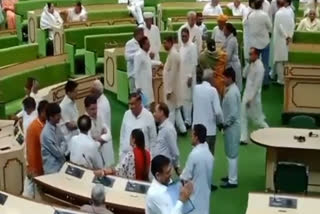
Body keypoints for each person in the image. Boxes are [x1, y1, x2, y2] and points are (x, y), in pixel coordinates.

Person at [180, 124, 214, 214]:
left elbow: (185, 177)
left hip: (194, 200)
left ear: (196, 137)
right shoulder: (210, 155)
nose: (191, 137)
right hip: (205, 198)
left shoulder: (194, 155)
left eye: (192, 135)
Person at [240, 48, 269, 145]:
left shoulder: (260, 67)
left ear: (256, 55)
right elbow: (244, 75)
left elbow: (257, 86)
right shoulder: (251, 64)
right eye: (249, 54)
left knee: (258, 119)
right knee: (243, 116)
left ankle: (268, 131)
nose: (249, 56)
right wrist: (248, 64)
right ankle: (243, 138)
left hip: (254, 97)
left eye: (251, 54)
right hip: (246, 93)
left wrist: (250, 99)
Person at [193, 68, 223, 155]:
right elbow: (218, 112)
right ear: (211, 79)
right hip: (209, 131)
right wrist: (221, 123)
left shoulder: (195, 89)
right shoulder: (213, 91)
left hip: (196, 131)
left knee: (197, 157)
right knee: (208, 158)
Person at [119, 93, 157, 161]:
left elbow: (153, 139)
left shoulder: (148, 116)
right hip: (127, 157)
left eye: (133, 104)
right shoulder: (126, 114)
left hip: (143, 158)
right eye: (130, 104)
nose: (131, 106)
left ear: (139, 102)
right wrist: (120, 154)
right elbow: (122, 135)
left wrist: (151, 158)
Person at [23, 100, 48, 198]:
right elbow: (31, 150)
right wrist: (32, 168)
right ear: (42, 112)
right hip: (35, 167)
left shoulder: (43, 124)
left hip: (41, 166)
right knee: (31, 192)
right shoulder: (34, 127)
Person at [220, 68, 241, 188]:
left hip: (232, 127)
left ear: (230, 78)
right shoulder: (231, 89)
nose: (223, 79)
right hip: (231, 127)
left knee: (232, 154)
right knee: (230, 153)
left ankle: (233, 180)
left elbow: (233, 114)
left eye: (225, 77)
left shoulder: (232, 93)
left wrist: (225, 124)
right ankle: (230, 175)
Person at [244, 0, 273, 86]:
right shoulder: (264, 15)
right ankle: (265, 82)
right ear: (261, 6)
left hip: (254, 43)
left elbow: (246, 24)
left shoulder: (250, 15)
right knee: (265, 63)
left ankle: (253, 80)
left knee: (253, 63)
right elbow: (270, 27)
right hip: (264, 42)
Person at [163, 36, 187, 134]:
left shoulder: (173, 55)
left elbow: (172, 74)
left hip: (172, 88)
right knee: (176, 109)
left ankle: (171, 131)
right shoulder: (173, 54)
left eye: (165, 42)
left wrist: (169, 90)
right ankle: (183, 129)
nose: (164, 45)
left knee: (171, 110)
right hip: (175, 87)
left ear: (170, 43)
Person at [85, 95, 114, 167]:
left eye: (96, 108)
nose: (95, 111)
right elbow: (89, 144)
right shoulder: (84, 122)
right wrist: (101, 137)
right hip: (91, 157)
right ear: (86, 109)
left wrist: (98, 138)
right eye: (92, 109)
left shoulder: (99, 116)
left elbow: (108, 134)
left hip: (101, 154)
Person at [133, 36, 161, 108]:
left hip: (148, 85)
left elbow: (149, 62)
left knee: (148, 105)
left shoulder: (145, 54)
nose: (149, 45)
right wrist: (138, 87)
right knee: (143, 106)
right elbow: (136, 71)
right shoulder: (138, 55)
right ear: (143, 45)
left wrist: (159, 63)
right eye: (147, 44)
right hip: (142, 87)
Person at [272, 0, 295, 85]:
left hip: (280, 39)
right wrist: (290, 37)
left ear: (278, 5)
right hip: (288, 38)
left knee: (279, 60)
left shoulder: (278, 13)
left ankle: (280, 80)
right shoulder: (290, 12)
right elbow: (293, 24)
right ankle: (284, 77)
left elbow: (279, 27)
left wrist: (286, 36)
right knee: (285, 59)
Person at [153, 103, 180, 174]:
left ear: (161, 112)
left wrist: (176, 166)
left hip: (164, 171)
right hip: (159, 168)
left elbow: (175, 152)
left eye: (156, 111)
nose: (154, 114)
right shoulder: (163, 128)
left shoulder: (168, 129)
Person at [179, 28, 198, 128]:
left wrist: (190, 76)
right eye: (182, 36)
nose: (183, 38)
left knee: (188, 99)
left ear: (188, 36)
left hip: (189, 77)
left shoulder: (192, 47)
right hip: (181, 76)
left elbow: (194, 62)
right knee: (183, 98)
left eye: (185, 36)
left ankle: (188, 120)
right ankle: (185, 118)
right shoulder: (181, 47)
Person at [41, 103, 67, 174]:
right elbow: (59, 153)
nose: (60, 117)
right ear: (51, 117)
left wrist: (61, 147)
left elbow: (65, 142)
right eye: (57, 115)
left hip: (61, 166)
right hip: (52, 170)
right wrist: (62, 147)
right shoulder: (46, 133)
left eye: (59, 114)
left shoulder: (57, 127)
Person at [59, 80, 79, 155]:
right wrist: (81, 123)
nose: (77, 93)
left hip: (75, 137)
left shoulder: (73, 102)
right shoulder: (64, 106)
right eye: (75, 92)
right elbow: (70, 126)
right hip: (69, 143)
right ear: (68, 93)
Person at [223, 23, 242, 91]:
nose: (223, 31)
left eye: (224, 29)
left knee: (234, 86)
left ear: (228, 31)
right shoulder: (230, 39)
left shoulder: (231, 41)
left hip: (233, 65)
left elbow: (228, 57)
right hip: (232, 64)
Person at [125, 27, 145, 92]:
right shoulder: (129, 43)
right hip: (133, 73)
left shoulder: (143, 44)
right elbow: (127, 57)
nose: (143, 36)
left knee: (142, 95)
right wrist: (138, 56)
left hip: (142, 73)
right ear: (137, 35)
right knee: (134, 95)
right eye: (142, 34)